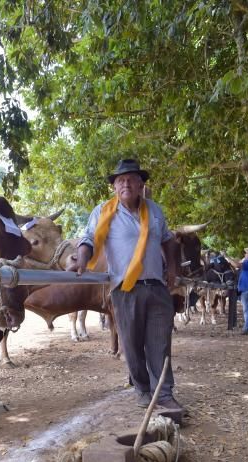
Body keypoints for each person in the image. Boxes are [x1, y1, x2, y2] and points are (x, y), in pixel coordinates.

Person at [69, 158, 184, 420]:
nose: (126, 183)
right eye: (120, 180)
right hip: (125, 288)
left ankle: (164, 394)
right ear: (114, 187)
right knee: (131, 344)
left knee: (160, 343)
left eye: (131, 178)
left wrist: (173, 269)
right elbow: (88, 239)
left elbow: (168, 240)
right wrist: (83, 258)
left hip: (156, 287)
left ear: (141, 184)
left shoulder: (154, 211)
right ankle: (143, 390)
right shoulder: (103, 211)